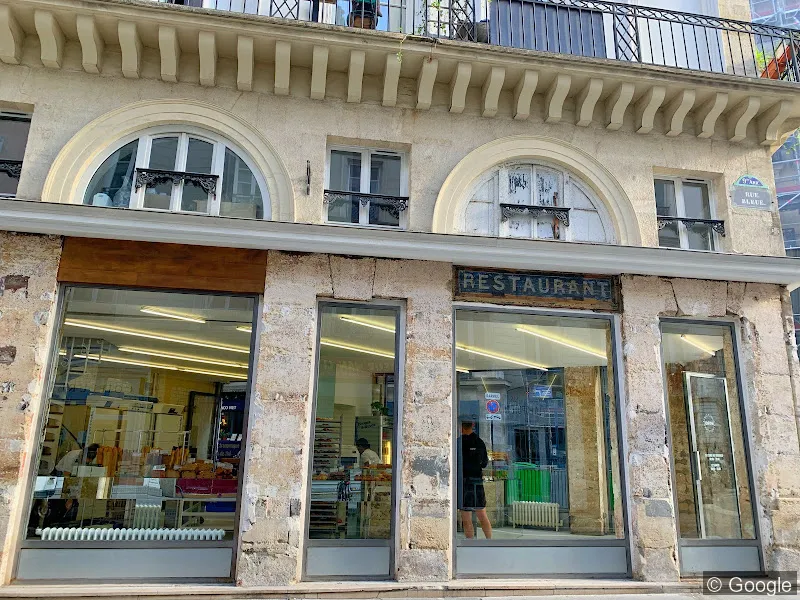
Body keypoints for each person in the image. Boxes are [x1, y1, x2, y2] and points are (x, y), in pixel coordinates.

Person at [458, 420, 492, 539]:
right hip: (476, 483)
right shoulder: (479, 442)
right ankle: (489, 541)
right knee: (482, 515)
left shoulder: (458, 442)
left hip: (463, 483)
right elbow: (484, 464)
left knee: (466, 519)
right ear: (472, 426)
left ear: (461, 427)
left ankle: (469, 544)